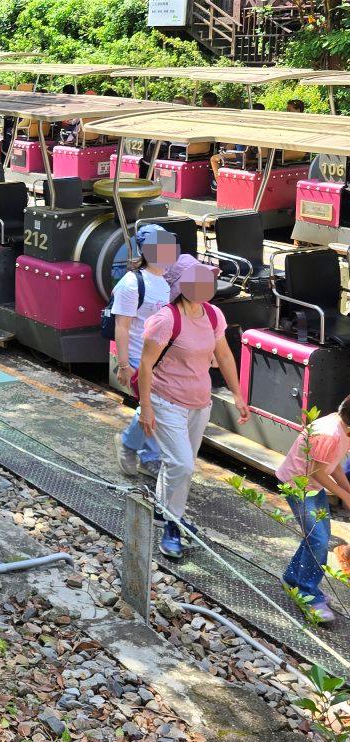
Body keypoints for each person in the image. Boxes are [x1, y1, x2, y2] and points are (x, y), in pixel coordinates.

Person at [137, 254, 249, 558]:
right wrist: (145, 406)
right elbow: (146, 366)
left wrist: (238, 394)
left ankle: (163, 509)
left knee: (179, 463)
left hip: (200, 402)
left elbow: (224, 356)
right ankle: (172, 525)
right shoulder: (165, 319)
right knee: (182, 464)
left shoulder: (214, 315)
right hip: (166, 400)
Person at [273, 398, 350, 621]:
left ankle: (291, 578)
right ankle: (307, 593)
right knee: (318, 540)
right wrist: (344, 495)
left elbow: (333, 466)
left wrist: (348, 490)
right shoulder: (329, 432)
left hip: (313, 487)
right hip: (298, 485)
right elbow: (316, 471)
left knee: (316, 537)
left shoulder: (342, 431)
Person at [113, 225, 178, 478]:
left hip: (160, 359)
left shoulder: (163, 281)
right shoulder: (131, 284)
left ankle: (144, 453)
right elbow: (122, 326)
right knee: (152, 406)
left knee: (157, 406)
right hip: (140, 359)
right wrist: (123, 364)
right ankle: (134, 447)